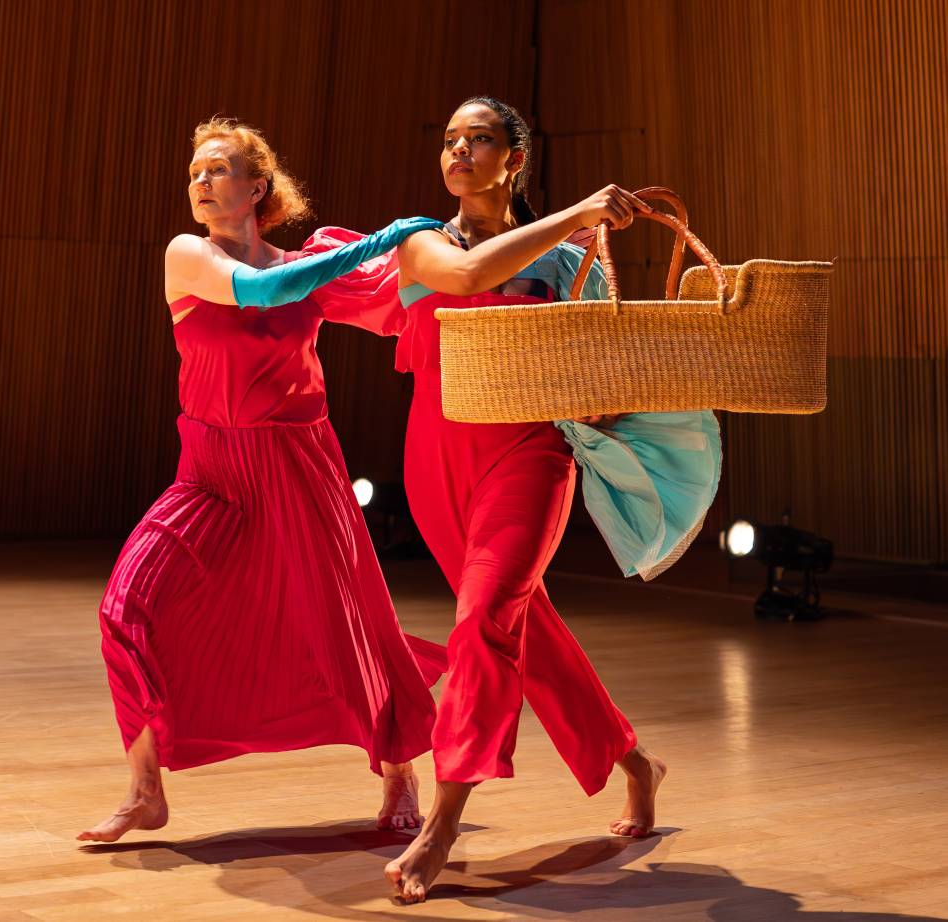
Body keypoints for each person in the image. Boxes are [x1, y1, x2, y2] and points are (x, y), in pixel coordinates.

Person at [383, 97, 719, 903]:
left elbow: (604, 383)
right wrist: (581, 209)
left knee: (484, 621)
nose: (460, 149)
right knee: (522, 628)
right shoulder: (420, 242)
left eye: (481, 139)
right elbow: (469, 276)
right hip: (434, 460)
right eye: (450, 138)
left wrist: (603, 390)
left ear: (515, 159)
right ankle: (635, 762)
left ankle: (442, 824)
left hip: (531, 456)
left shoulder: (575, 261)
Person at [78, 118, 446, 844]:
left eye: (218, 169)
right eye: (195, 174)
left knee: (348, 630)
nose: (201, 182)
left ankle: (400, 769)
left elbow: (393, 303)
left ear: (257, 188)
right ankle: (146, 790)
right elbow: (259, 291)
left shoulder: (307, 263)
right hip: (211, 467)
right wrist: (380, 239)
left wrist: (445, 254)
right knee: (126, 607)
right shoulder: (190, 254)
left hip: (298, 463)